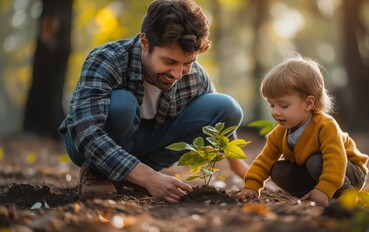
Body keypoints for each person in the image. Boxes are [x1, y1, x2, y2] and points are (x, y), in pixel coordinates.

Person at [59, 0, 248, 203]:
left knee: (228, 108)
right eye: (169, 61)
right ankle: (96, 172)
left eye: (187, 63)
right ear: (145, 42)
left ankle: (129, 178)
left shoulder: (193, 75)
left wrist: (240, 167)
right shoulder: (107, 59)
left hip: (146, 147)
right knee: (123, 105)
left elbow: (221, 118)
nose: (177, 74)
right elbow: (84, 130)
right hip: (87, 144)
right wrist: (149, 178)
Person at [236, 54, 369, 205]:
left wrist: (325, 188)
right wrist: (251, 186)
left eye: (283, 105)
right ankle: (313, 195)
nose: (275, 112)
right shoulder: (280, 133)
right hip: (318, 172)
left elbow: (335, 160)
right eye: (272, 105)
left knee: (315, 161)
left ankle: (348, 197)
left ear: (308, 103)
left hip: (350, 171)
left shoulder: (325, 126)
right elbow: (264, 160)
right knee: (278, 170)